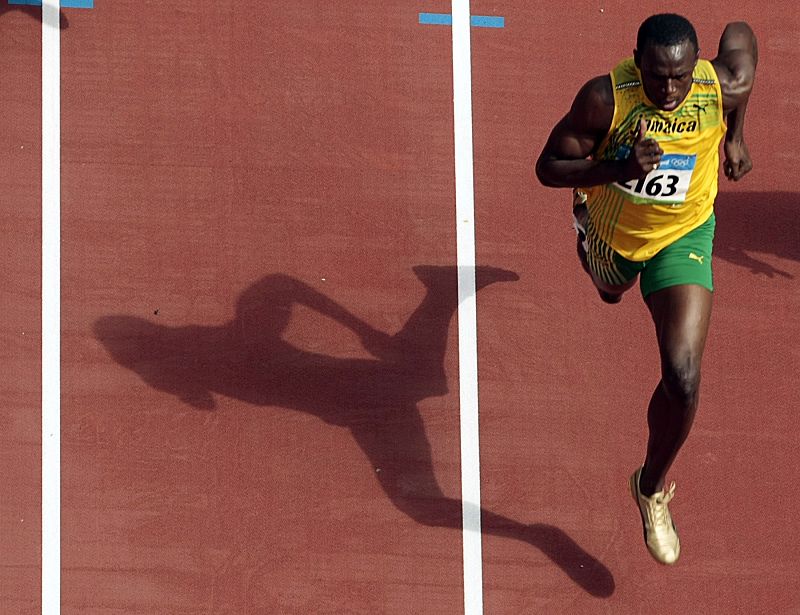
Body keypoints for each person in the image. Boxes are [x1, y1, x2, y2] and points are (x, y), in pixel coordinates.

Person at [535, 14, 757, 564]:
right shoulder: (605, 100)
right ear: (638, 62)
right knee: (608, 289)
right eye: (657, 77)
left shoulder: (718, 86)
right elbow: (548, 166)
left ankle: (651, 486)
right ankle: (586, 234)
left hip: (685, 233)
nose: (669, 90)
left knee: (682, 375)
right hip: (616, 234)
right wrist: (614, 166)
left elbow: (743, 37)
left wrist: (735, 135)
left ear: (697, 66)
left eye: (680, 77)